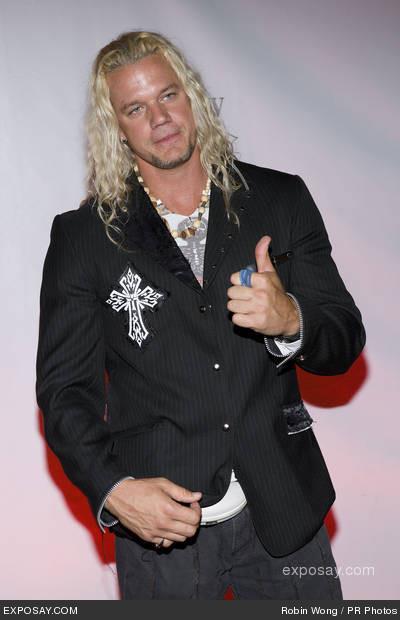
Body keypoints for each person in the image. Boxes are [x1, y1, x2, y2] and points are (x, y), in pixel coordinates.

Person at [36, 31, 366, 600]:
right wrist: (115, 490)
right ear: (116, 128)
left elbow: (344, 337)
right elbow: (65, 394)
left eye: (168, 95)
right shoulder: (83, 237)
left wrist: (292, 320)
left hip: (285, 503)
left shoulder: (280, 198)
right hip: (161, 526)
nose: (159, 118)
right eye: (136, 108)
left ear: (191, 96)